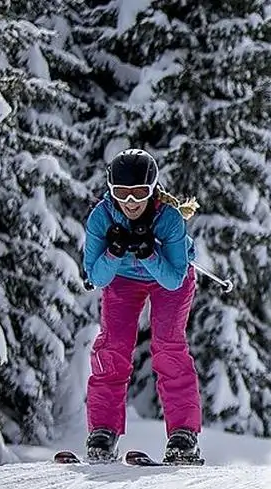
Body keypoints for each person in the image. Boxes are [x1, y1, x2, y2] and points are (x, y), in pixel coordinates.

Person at [81, 148, 203, 464]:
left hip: (167, 277)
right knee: (112, 347)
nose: (131, 201)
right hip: (121, 278)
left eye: (139, 192)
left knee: (168, 346)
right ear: (111, 191)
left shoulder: (169, 218)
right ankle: (103, 430)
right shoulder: (101, 217)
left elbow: (173, 279)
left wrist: (149, 254)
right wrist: (114, 251)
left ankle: (183, 433)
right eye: (122, 193)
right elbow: (95, 276)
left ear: (152, 189)